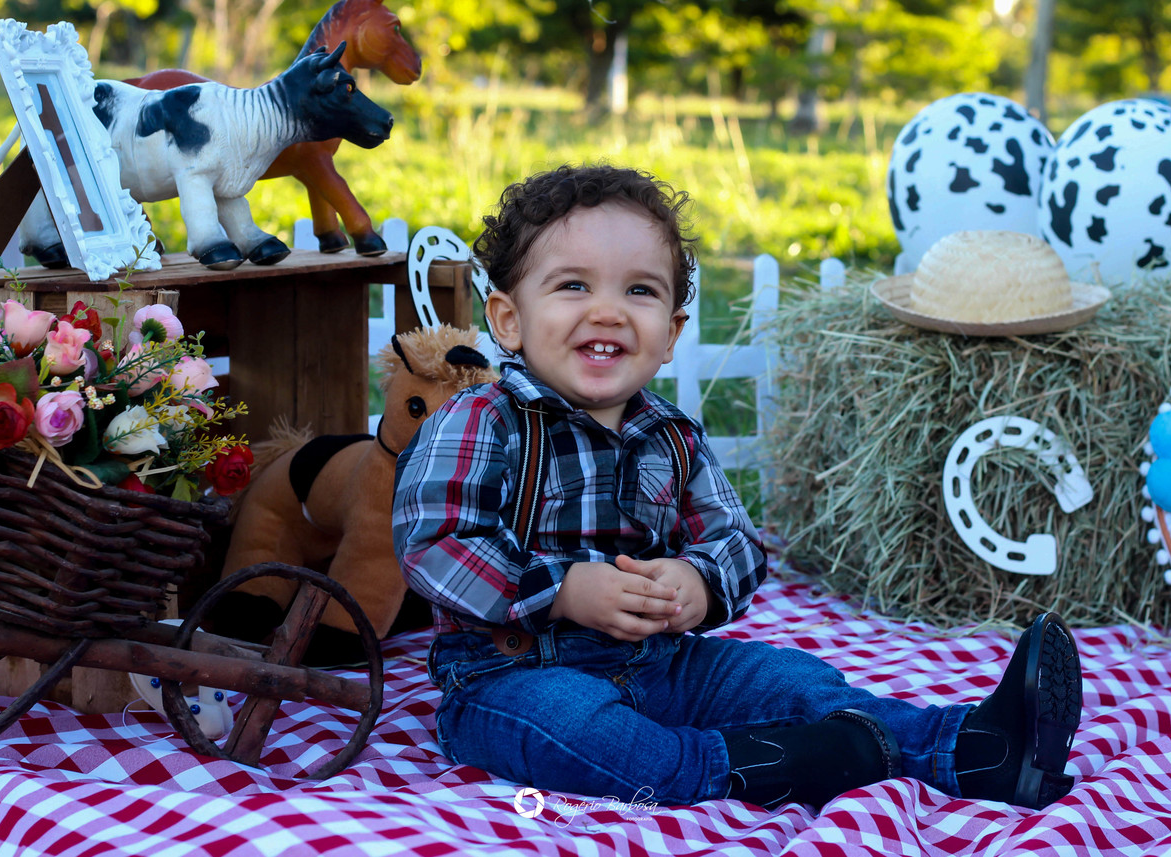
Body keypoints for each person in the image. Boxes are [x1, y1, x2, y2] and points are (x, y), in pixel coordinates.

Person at [391, 163, 1082, 811]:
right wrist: (565, 589)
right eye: (573, 285)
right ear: (508, 319)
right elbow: (431, 540)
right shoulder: (486, 418)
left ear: (670, 334)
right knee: (587, 731)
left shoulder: (673, 435)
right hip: (509, 675)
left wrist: (697, 581)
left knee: (794, 680)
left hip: (659, 662)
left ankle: (974, 747)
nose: (607, 311)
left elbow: (737, 542)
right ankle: (742, 765)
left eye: (639, 290)